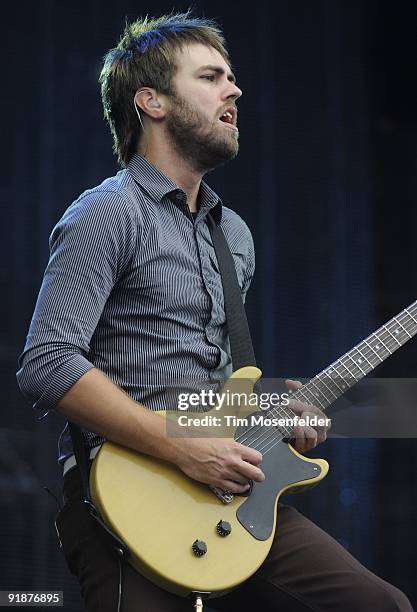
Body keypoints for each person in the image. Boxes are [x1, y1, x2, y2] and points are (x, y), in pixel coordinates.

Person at [17, 12, 412, 612]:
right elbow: (46, 363)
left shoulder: (236, 237)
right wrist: (178, 446)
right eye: (212, 77)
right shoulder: (107, 212)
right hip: (128, 497)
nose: (235, 90)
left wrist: (278, 414)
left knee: (379, 604)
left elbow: (214, 388)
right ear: (151, 101)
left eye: (232, 78)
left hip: (224, 488)